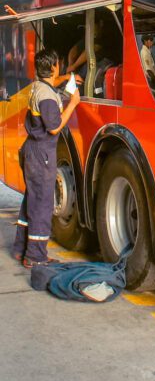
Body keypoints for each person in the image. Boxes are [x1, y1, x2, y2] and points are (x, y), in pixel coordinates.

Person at [11, 49, 80, 268]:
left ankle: (20, 247)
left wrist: (65, 78)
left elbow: (50, 85)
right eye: (58, 64)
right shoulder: (48, 98)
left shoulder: (38, 86)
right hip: (42, 154)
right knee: (42, 205)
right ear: (53, 67)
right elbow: (54, 127)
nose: (60, 66)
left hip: (31, 150)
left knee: (31, 200)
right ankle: (35, 256)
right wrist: (73, 103)